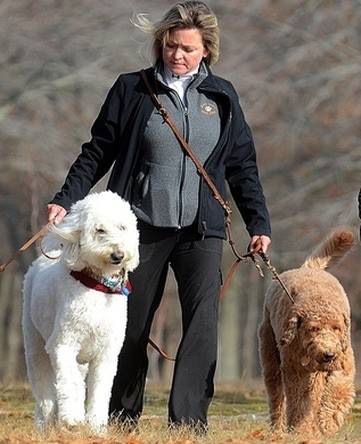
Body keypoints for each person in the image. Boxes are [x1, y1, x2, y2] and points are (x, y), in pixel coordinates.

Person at [47, 1, 271, 432]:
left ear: (206, 49)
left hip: (201, 228)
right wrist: (66, 197)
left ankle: (188, 423)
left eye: (187, 48)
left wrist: (258, 224)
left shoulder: (222, 97)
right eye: (170, 46)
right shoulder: (132, 90)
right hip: (139, 229)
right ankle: (119, 417)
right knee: (128, 326)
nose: (177, 55)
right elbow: (97, 151)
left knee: (202, 323)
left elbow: (243, 165)